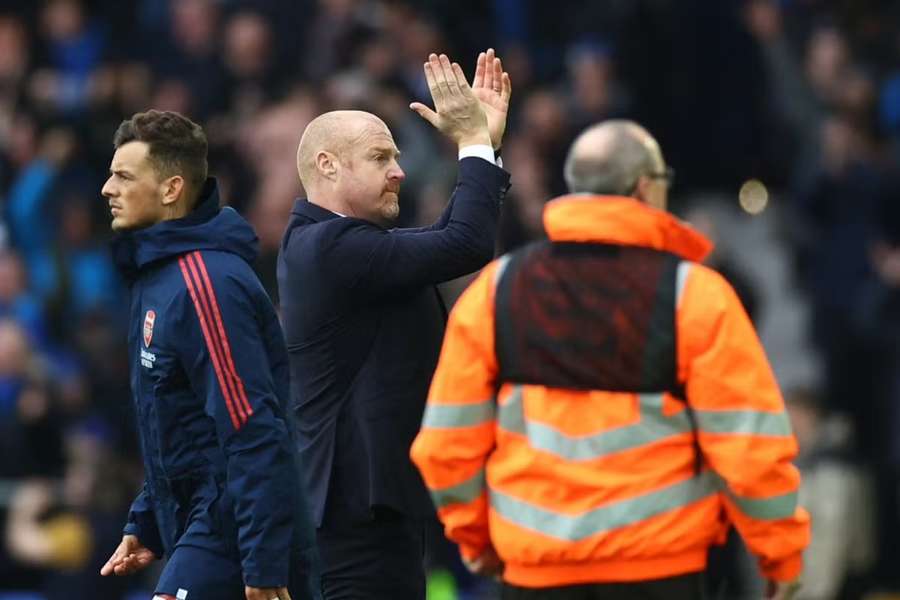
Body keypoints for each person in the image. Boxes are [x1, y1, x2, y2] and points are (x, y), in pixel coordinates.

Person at [411, 120, 811, 600]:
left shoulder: (498, 291)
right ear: (645, 187)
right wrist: (779, 555)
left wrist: (477, 539)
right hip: (662, 569)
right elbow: (750, 447)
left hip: (535, 570)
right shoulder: (694, 295)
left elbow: (446, 444)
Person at [277, 50, 511, 599]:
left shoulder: (332, 246)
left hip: (367, 509)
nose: (399, 171)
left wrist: (485, 143)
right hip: (356, 518)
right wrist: (471, 142)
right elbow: (465, 242)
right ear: (328, 165)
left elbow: (451, 235)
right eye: (381, 157)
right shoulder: (330, 248)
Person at [98, 110, 320, 600]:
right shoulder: (158, 276)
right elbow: (179, 427)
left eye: (123, 175)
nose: (106, 189)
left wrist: (262, 565)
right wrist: (148, 520)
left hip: (231, 534)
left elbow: (254, 430)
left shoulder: (207, 285)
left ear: (172, 189)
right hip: (202, 521)